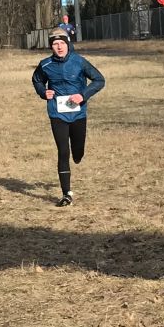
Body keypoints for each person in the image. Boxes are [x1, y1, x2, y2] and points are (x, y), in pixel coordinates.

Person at [31, 28, 105, 206]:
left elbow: (99, 80)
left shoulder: (79, 61)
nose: (59, 47)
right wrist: (43, 92)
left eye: (62, 43)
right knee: (63, 151)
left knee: (77, 151)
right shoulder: (45, 64)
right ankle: (66, 194)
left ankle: (78, 154)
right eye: (55, 44)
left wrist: (83, 95)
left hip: (78, 113)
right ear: (51, 46)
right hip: (57, 113)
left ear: (67, 44)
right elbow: (37, 80)